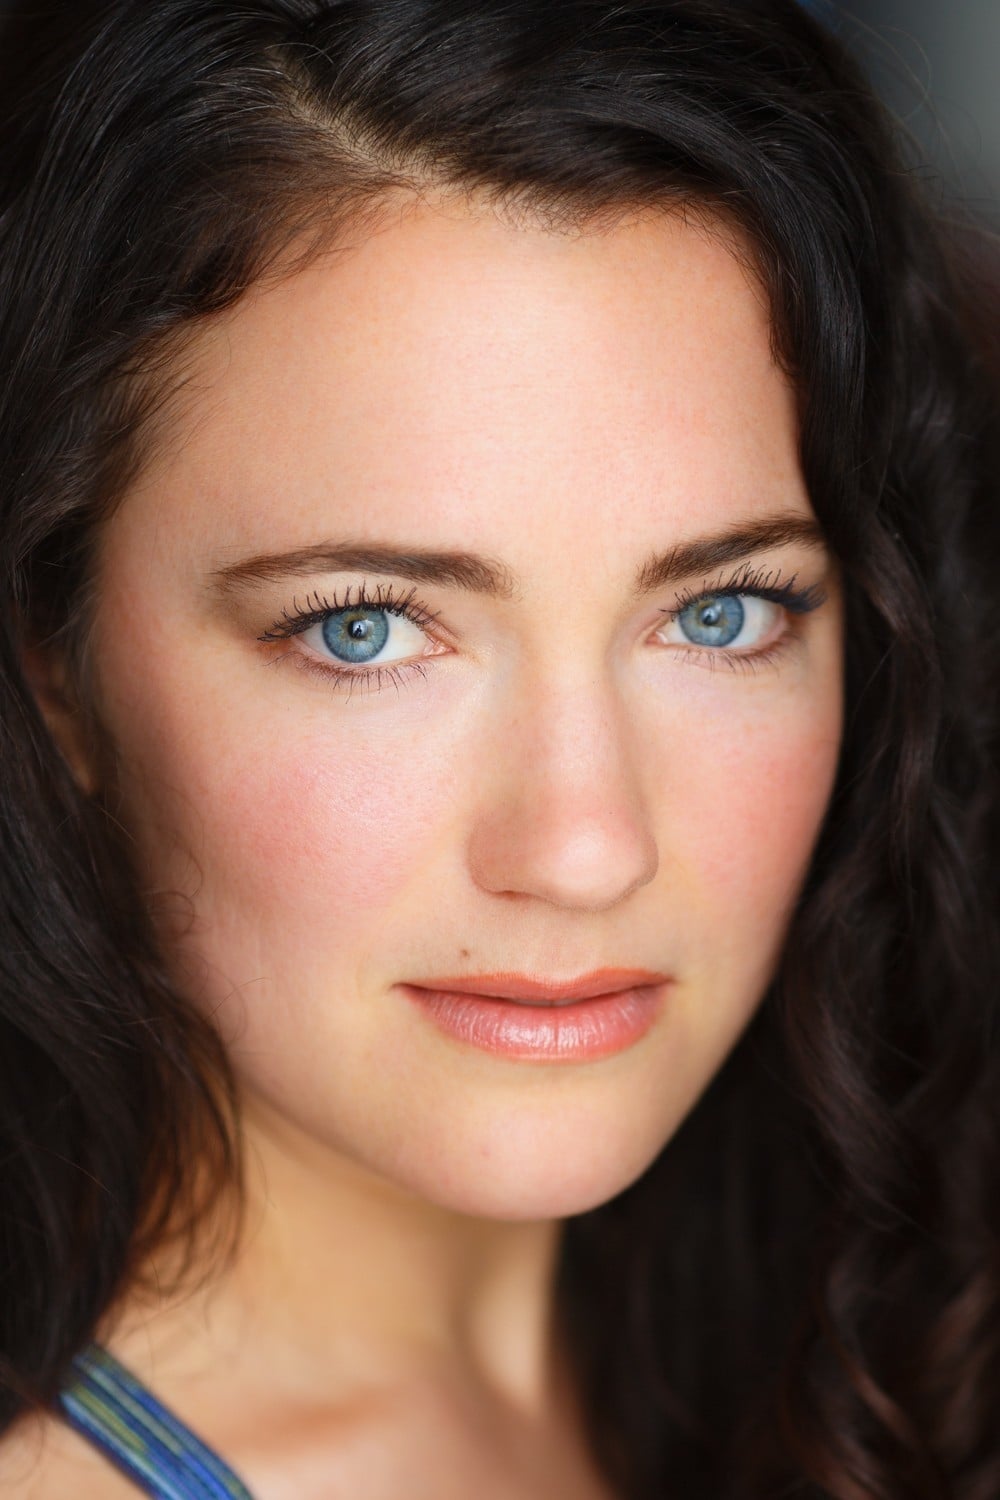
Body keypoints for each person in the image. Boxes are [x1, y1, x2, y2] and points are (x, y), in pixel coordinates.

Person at [0, 1, 997, 1496]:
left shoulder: (880, 1344)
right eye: (365, 630)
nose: (587, 848)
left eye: (720, 613)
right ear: (58, 668)